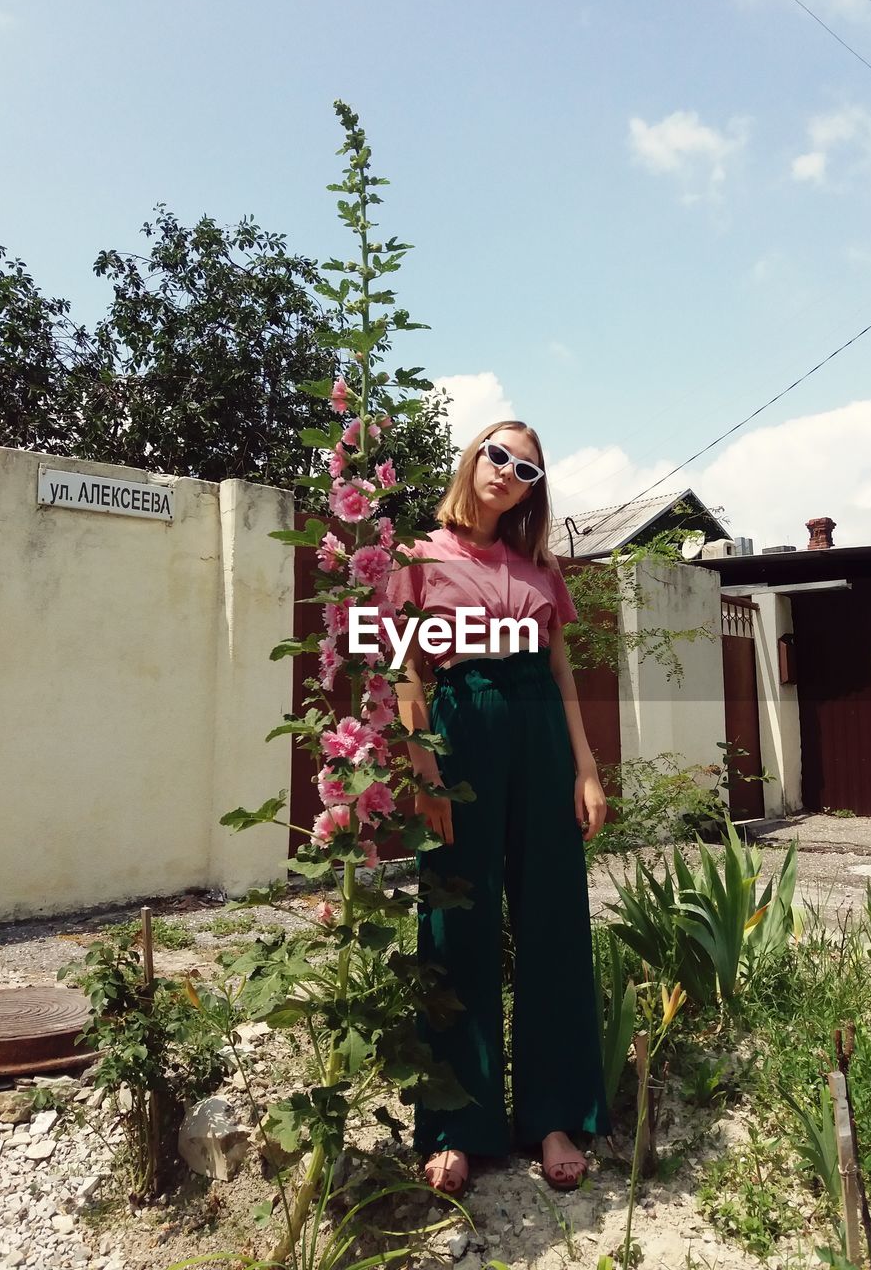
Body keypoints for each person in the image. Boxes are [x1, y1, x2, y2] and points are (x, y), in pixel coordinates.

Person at [387, 420, 610, 1199]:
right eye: (499, 455)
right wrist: (423, 765)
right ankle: (455, 1120)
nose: (509, 473)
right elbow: (405, 667)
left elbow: (562, 672)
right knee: (456, 914)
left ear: (532, 490)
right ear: (473, 457)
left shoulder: (540, 567)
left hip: (540, 727)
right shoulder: (421, 556)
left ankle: (553, 1116)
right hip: (463, 721)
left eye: (526, 469)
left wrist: (585, 769)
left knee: (552, 916)